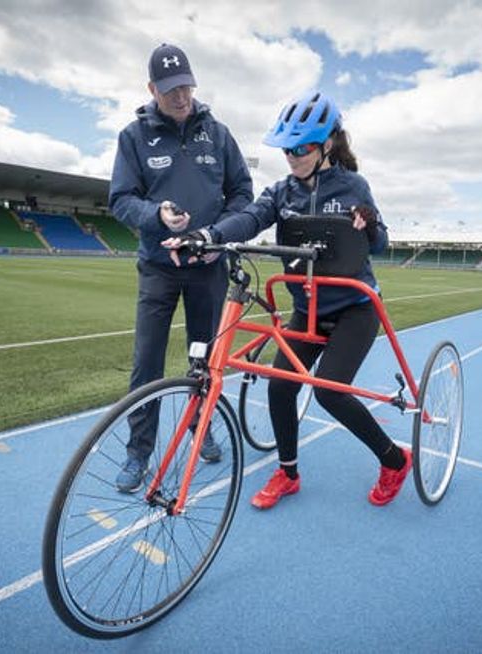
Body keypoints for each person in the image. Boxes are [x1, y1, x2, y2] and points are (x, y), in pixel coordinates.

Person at [164, 90, 411, 509]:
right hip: (307, 310)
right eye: (286, 149)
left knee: (331, 391)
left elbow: (381, 245)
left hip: (354, 309)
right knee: (280, 387)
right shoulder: (282, 192)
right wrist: (207, 235)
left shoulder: (354, 186)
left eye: (301, 148)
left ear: (327, 144)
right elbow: (249, 218)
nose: (292, 156)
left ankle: (394, 459)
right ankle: (288, 473)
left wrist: (368, 224)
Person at [109, 43, 254, 493]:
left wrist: (219, 238)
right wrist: (157, 216)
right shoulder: (133, 137)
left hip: (208, 266)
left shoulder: (219, 134)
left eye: (186, 86)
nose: (181, 96)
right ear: (152, 89)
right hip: (158, 267)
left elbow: (243, 196)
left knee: (205, 361)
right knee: (146, 363)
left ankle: (200, 429)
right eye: (170, 89)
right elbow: (120, 200)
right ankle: (139, 452)